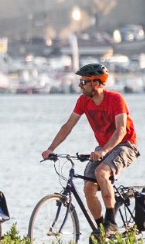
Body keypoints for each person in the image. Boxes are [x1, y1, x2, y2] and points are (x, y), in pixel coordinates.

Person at [41, 62, 139, 233]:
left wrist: (103, 151)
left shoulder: (116, 99)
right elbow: (68, 126)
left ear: (95, 83)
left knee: (101, 172)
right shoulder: (83, 101)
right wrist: (51, 149)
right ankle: (101, 228)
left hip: (126, 145)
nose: (80, 85)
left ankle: (111, 221)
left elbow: (121, 129)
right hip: (103, 147)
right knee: (88, 187)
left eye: (83, 82)